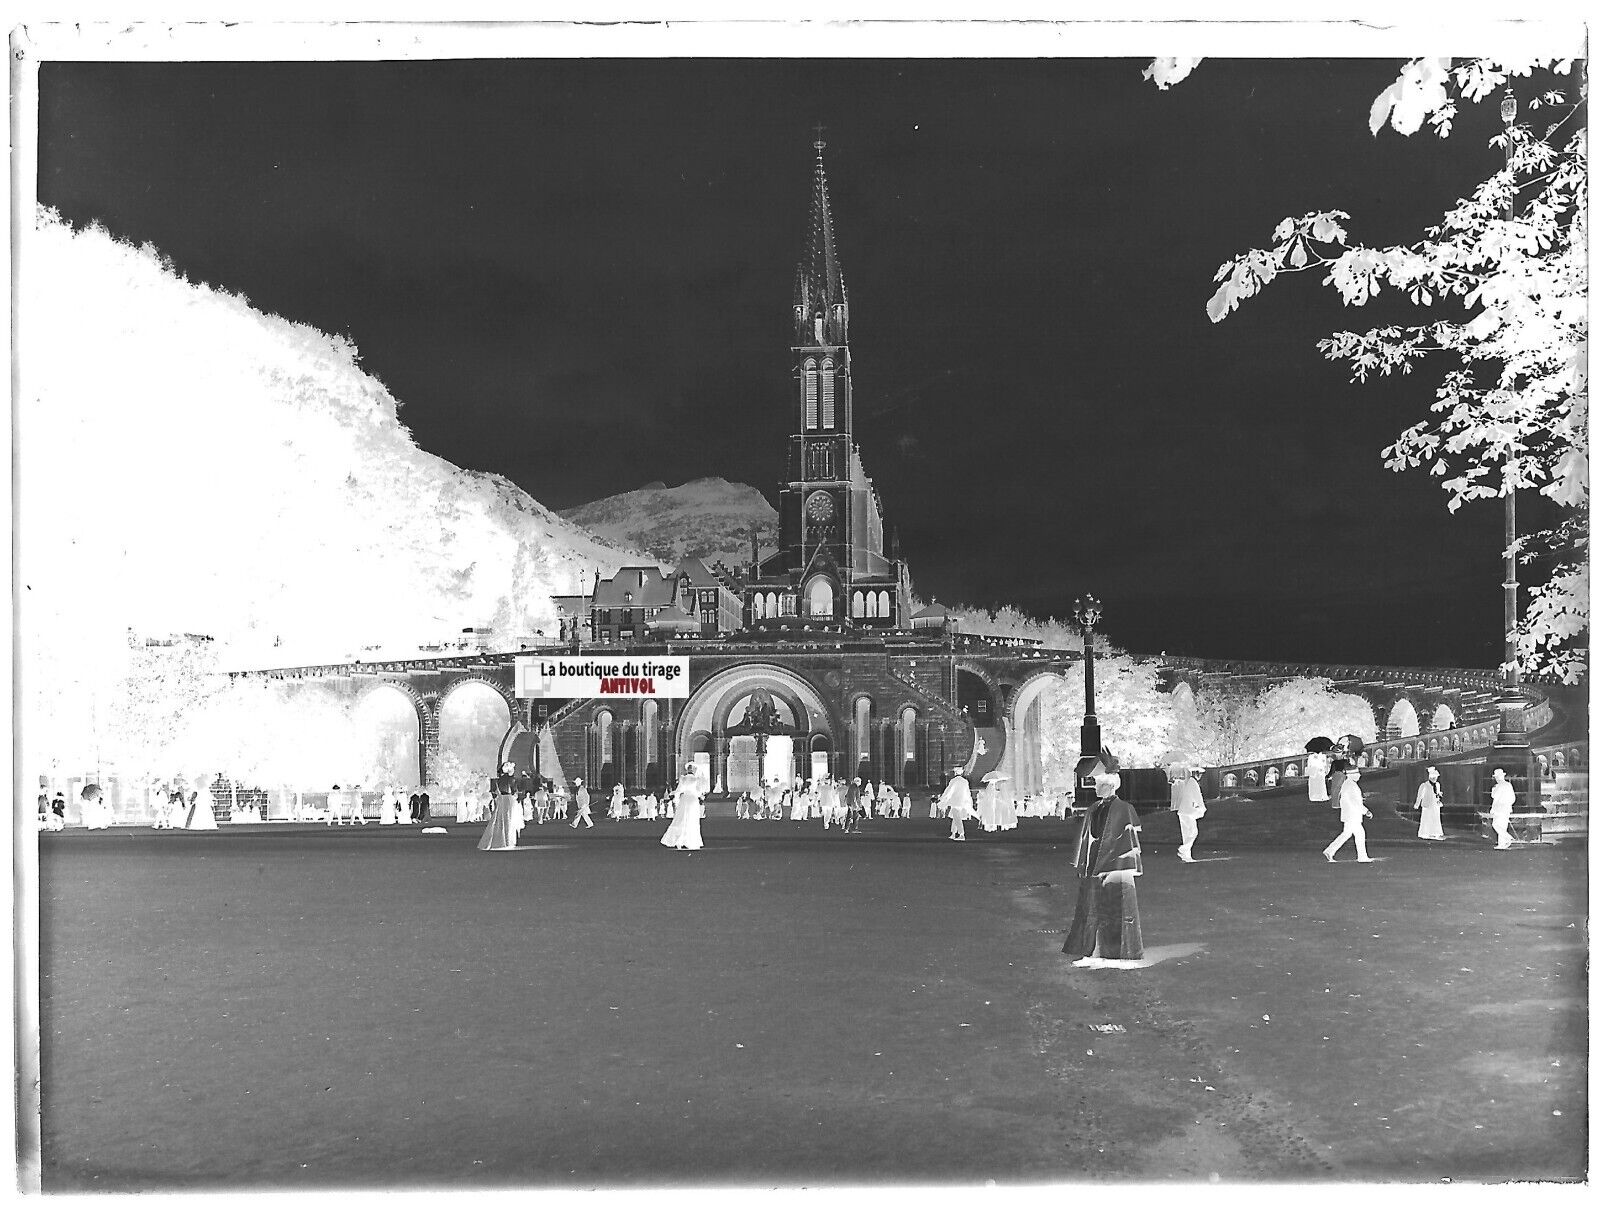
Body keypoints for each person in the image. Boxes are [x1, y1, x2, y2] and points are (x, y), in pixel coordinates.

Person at [1062, 772, 1145, 967]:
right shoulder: (1093, 808)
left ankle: (1120, 952)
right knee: (1091, 905)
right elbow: (1087, 837)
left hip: (1116, 865)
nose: (1096, 788)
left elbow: (1127, 840)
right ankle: (1091, 949)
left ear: (1111, 786)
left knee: (1117, 905)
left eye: (1100, 785)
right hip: (1094, 862)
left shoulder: (1125, 809)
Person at [1323, 766, 1373, 862]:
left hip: (1349, 814)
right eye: (1357, 773)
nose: (1359, 775)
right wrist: (1365, 811)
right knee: (1360, 834)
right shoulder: (1351, 786)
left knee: (1347, 834)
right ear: (1352, 775)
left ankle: (1330, 850)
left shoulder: (1347, 785)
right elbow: (1356, 802)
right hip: (1353, 815)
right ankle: (1362, 857)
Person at [477, 763, 523, 851]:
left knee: (499, 818)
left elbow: (495, 791)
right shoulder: (511, 779)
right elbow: (514, 790)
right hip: (508, 800)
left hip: (501, 799)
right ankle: (508, 840)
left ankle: (499, 839)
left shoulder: (499, 780)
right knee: (508, 819)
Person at [660, 763, 704, 851]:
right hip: (693, 800)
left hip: (685, 799)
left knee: (681, 818)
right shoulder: (696, 779)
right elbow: (698, 791)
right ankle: (691, 842)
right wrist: (701, 796)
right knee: (692, 820)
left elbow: (679, 790)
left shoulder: (683, 778)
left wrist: (674, 796)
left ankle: (679, 841)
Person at [1169, 763, 1207, 862]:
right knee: (1193, 832)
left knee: (1187, 834)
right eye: (1200, 774)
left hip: (1185, 811)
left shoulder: (1190, 782)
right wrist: (1202, 808)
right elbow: (1198, 798)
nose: (1201, 776)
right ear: (1196, 773)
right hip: (1188, 812)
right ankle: (1183, 849)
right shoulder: (1193, 783)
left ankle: (1186, 856)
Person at [938, 768, 974, 841]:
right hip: (962, 802)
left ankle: (961, 834)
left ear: (955, 773)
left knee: (957, 818)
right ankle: (953, 833)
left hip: (955, 802)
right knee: (955, 818)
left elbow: (948, 791)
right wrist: (969, 802)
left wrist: (943, 798)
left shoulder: (954, 781)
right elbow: (967, 793)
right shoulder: (965, 781)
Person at [1415, 766, 1446, 840]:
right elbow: (1420, 795)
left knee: (1435, 818)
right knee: (1426, 818)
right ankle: (1425, 833)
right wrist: (1417, 804)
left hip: (1435, 804)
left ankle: (1435, 833)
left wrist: (1439, 795)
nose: (1434, 779)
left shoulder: (1437, 785)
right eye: (1433, 777)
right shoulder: (1424, 785)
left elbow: (1437, 792)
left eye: (1435, 777)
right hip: (1427, 804)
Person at [1489, 768, 1516, 849]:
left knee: (1496, 824)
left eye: (1497, 777)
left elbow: (1495, 797)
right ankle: (1502, 843)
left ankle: (1507, 837)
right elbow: (1512, 798)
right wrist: (1508, 805)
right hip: (1506, 808)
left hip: (1499, 808)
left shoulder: (1498, 786)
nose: (1496, 778)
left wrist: (1493, 809)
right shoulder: (1508, 785)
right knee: (1503, 825)